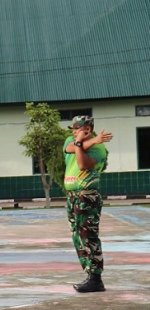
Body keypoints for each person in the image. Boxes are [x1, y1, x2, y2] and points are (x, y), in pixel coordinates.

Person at [64, 115, 113, 293]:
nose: (74, 131)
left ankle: (96, 278)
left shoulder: (99, 149)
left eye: (78, 127)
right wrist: (79, 142)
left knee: (89, 236)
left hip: (87, 197)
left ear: (88, 129)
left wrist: (83, 144)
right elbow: (69, 147)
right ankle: (88, 274)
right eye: (73, 128)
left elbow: (82, 164)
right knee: (77, 237)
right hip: (73, 197)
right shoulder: (72, 140)